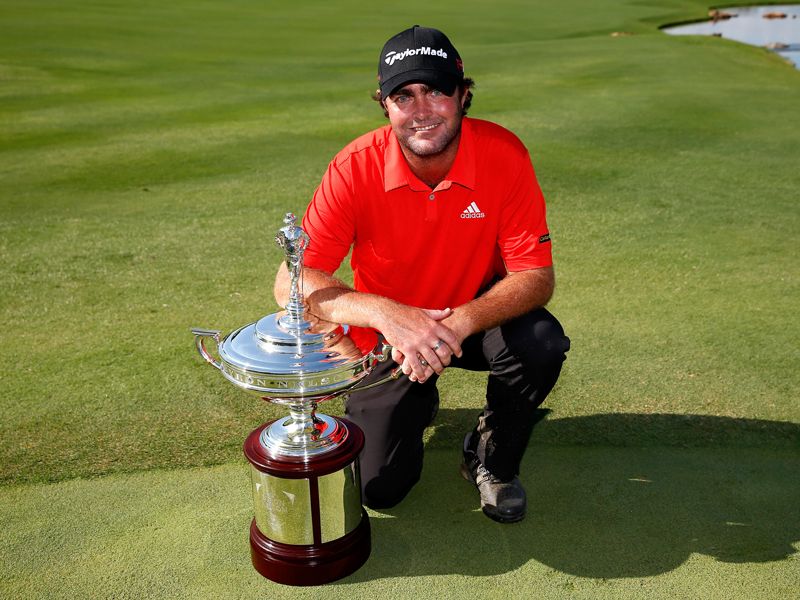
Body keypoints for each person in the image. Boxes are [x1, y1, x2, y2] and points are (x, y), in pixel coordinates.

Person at [274, 25, 570, 523]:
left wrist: (453, 325)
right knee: (379, 489)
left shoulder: (504, 154)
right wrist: (387, 315)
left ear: (463, 95)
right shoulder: (354, 167)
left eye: (437, 90)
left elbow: (536, 275)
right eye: (404, 96)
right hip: (389, 338)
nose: (422, 109)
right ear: (385, 106)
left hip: (472, 317)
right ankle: (413, 404)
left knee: (539, 341)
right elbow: (291, 281)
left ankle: (490, 457)